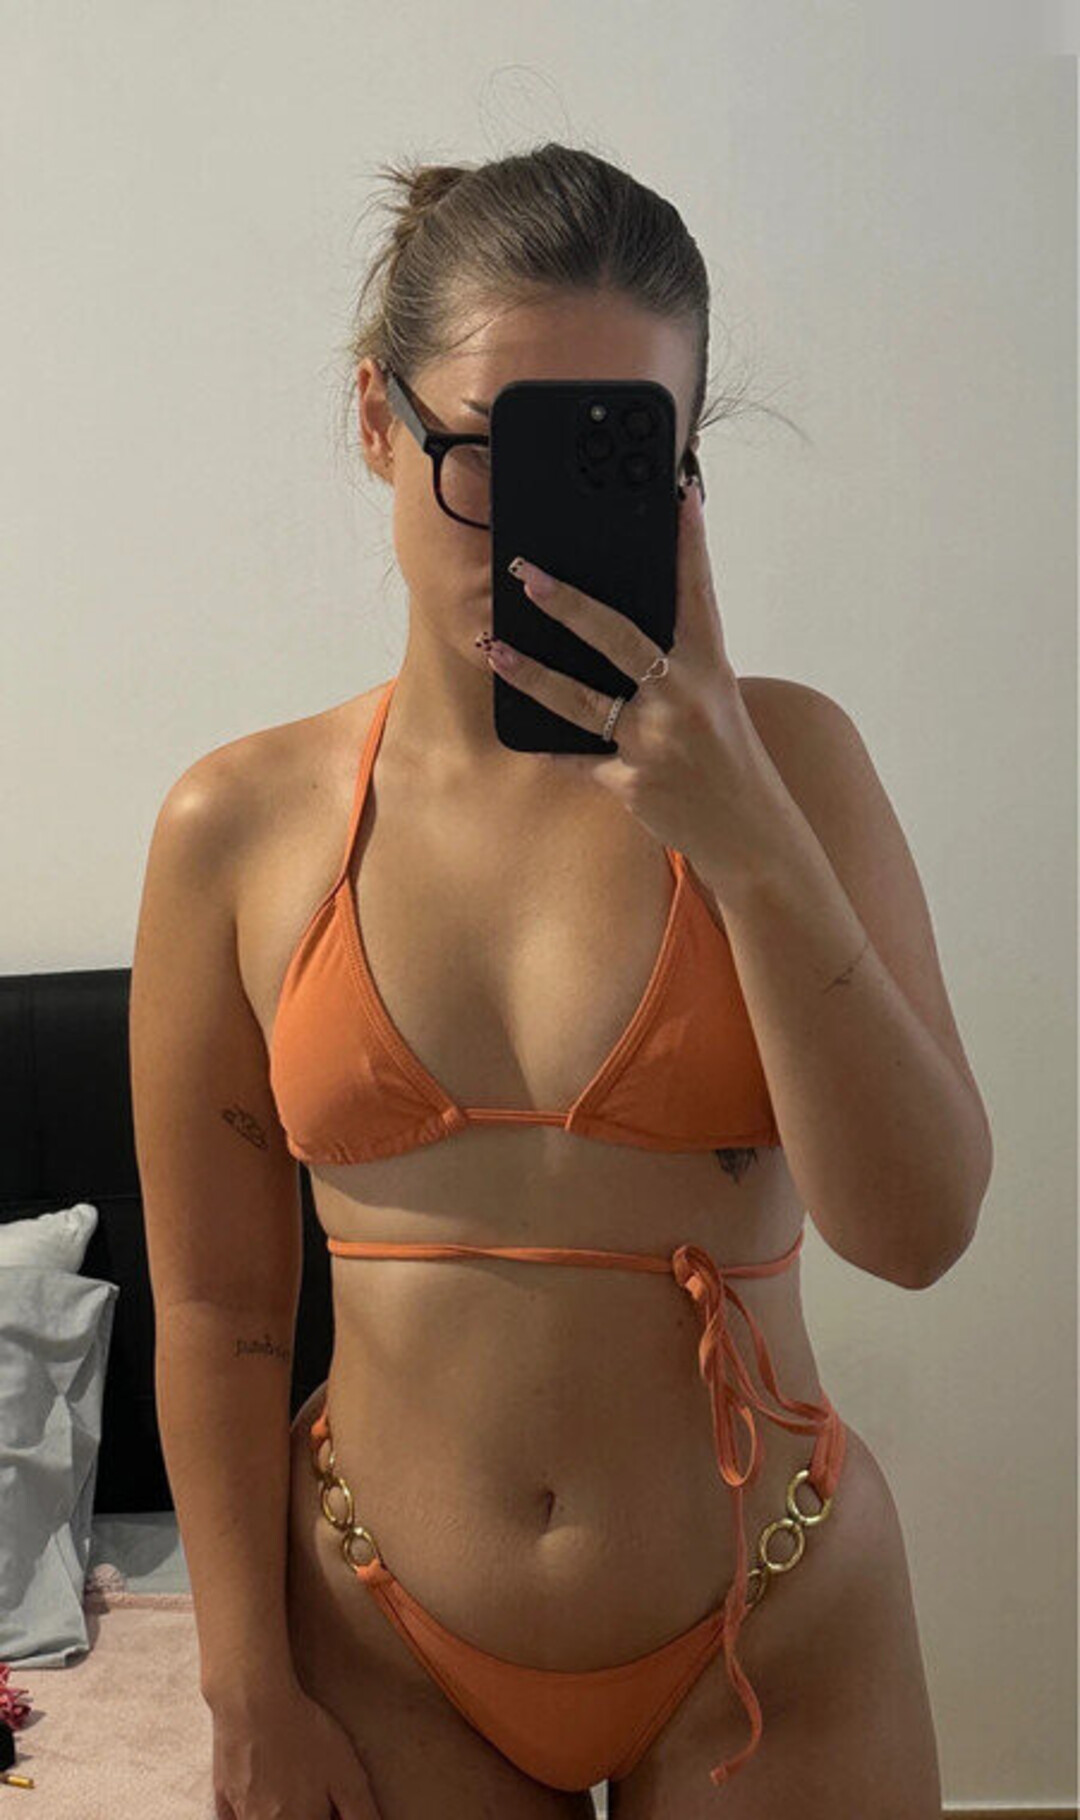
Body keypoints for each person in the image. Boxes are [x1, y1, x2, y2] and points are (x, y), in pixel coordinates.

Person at [133, 143, 989, 1820]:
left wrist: (744, 837)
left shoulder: (795, 770)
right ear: (376, 420)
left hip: (774, 1634)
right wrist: (245, 1690)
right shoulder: (236, 828)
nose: (530, 532)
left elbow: (920, 1229)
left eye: (612, 459)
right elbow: (220, 1316)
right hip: (380, 1642)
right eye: (486, 454)